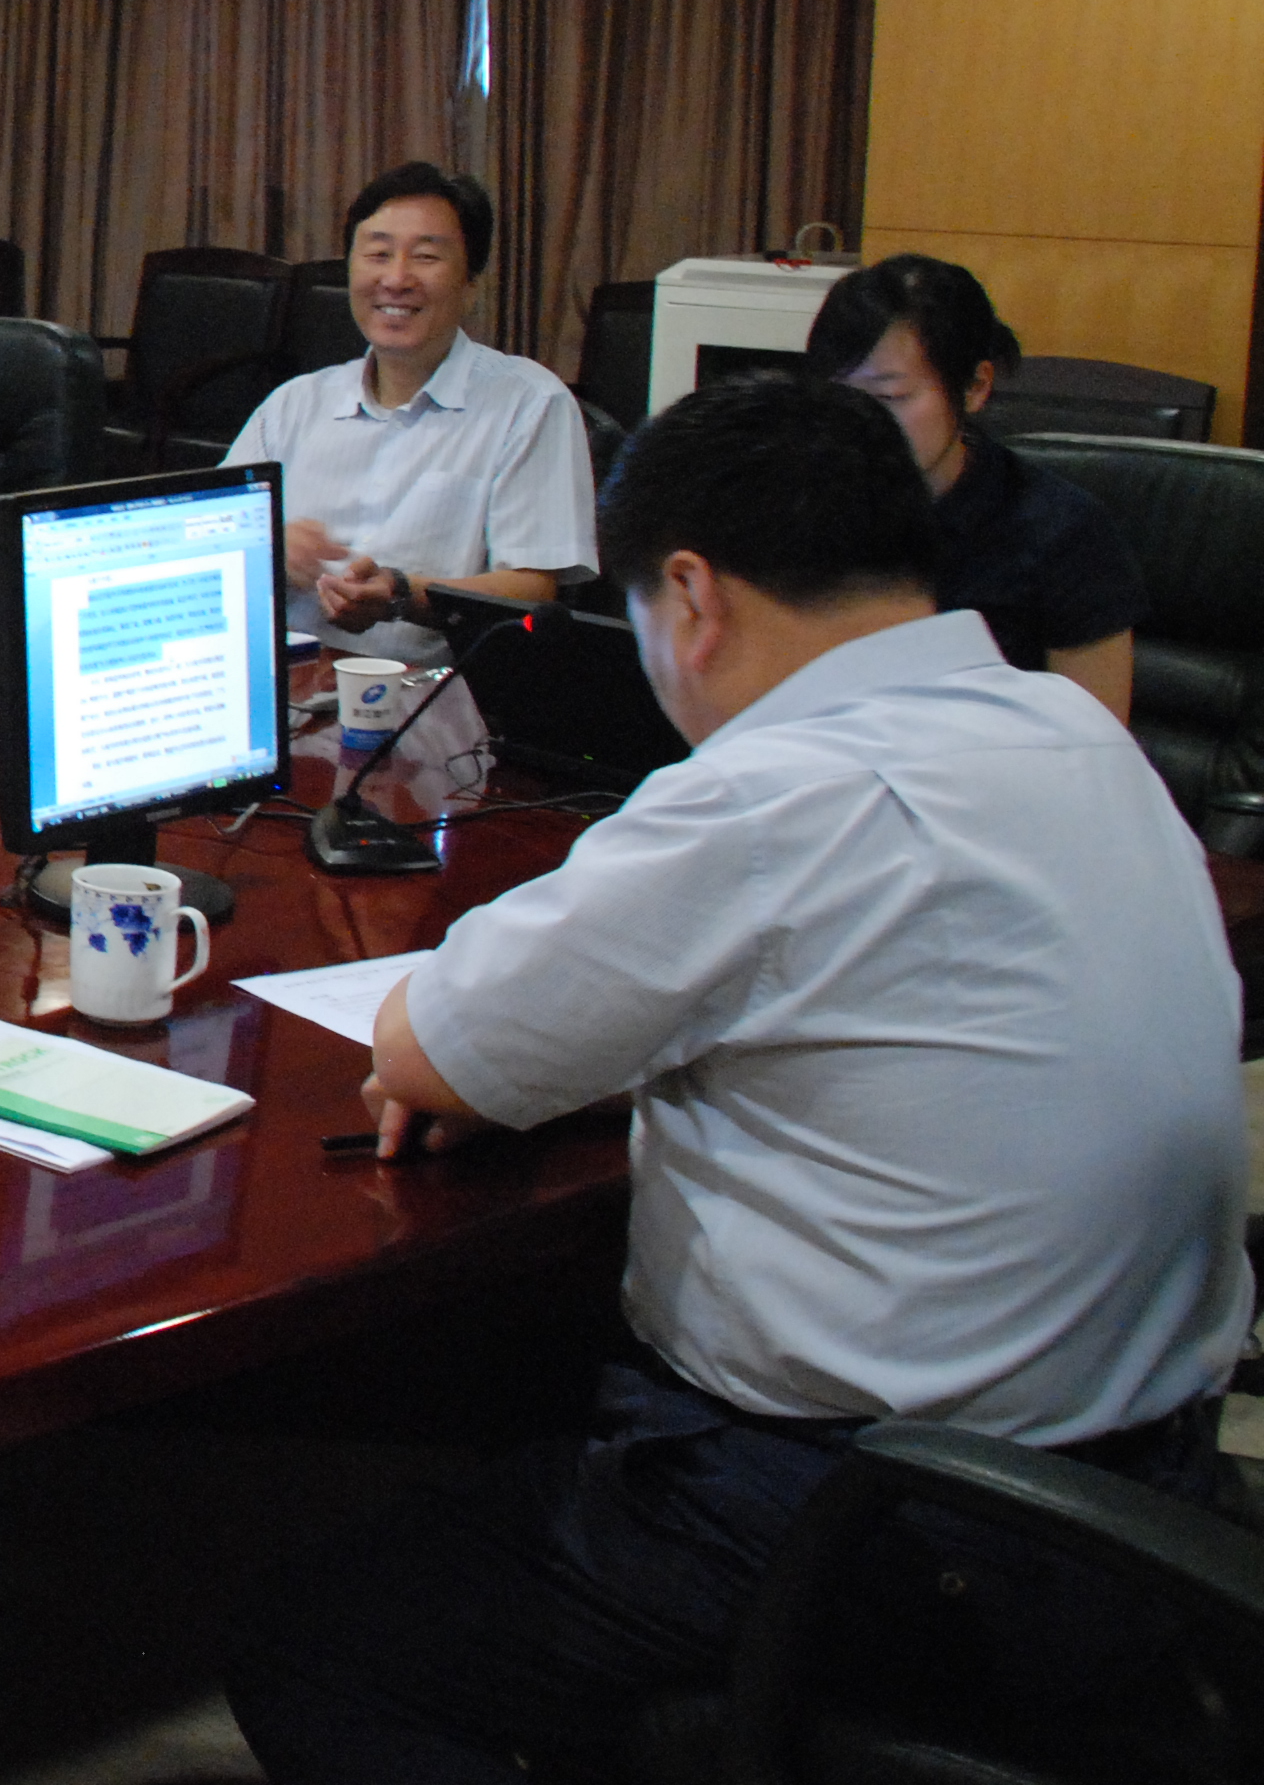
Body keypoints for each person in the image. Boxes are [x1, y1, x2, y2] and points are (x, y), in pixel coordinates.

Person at [227, 375, 1249, 1782]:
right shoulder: (1073, 732)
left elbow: (421, 1047)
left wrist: (506, 1055)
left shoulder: (772, 796)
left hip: (900, 1525)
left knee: (317, 1642)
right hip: (1145, 1479)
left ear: (691, 594)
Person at [224, 162, 593, 664]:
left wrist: (402, 594)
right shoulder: (294, 404)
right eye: (378, 254)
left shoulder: (529, 404)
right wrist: (265, 545)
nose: (396, 279)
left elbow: (533, 592)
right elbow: (209, 541)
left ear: (471, 284)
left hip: (431, 693)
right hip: (288, 680)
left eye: (425, 257)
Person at [807, 252, 1141, 722]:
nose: (859, 422)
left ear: (975, 386)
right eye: (841, 396)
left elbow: (1095, 739)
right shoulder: (802, 507)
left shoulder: (1061, 532)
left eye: (889, 396)